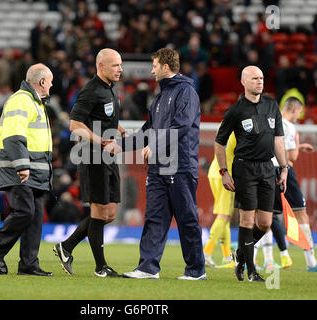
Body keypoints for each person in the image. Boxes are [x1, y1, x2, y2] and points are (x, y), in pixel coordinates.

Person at [122, 48, 206, 280]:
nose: (152, 70)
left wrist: (156, 145)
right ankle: (148, 268)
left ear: (165, 67)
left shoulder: (186, 92)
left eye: (155, 66)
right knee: (154, 217)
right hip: (158, 167)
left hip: (180, 166)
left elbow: (182, 126)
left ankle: (196, 271)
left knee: (187, 218)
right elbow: (148, 130)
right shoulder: (159, 96)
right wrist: (121, 146)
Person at [53, 48, 124, 278]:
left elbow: (107, 119)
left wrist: (122, 132)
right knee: (99, 210)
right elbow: (75, 125)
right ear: (101, 66)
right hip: (92, 155)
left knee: (110, 213)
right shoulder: (90, 91)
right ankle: (100, 267)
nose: (120, 69)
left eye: (120, 65)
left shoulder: (111, 89)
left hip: (108, 155)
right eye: (115, 65)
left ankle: (66, 246)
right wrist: (101, 140)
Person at [214, 65, 288, 282]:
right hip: (244, 168)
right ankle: (251, 271)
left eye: (262, 78)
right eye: (255, 78)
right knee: (246, 219)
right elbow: (219, 143)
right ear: (244, 82)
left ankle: (240, 254)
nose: (260, 82)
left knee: (265, 223)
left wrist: (284, 168)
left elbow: (278, 141)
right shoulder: (236, 111)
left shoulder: (272, 106)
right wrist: (224, 172)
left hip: (267, 167)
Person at [0, 63, 54, 277]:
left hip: (35, 170)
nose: (51, 85)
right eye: (50, 81)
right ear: (42, 82)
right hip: (20, 168)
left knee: (34, 217)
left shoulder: (34, 102)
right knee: (25, 211)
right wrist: (22, 166)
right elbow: (14, 137)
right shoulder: (22, 100)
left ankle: (28, 264)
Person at [272, 97, 317, 272]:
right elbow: (292, 157)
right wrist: (297, 142)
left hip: (268, 170)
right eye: (299, 112)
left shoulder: (273, 120)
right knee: (301, 215)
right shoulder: (290, 127)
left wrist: (298, 146)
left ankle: (246, 259)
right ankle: (311, 261)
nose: (299, 116)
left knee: (265, 218)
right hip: (285, 172)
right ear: (294, 110)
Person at [204, 132, 236, 269]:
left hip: (215, 171)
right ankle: (206, 253)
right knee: (224, 215)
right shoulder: (241, 124)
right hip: (227, 174)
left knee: (225, 217)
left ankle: (227, 257)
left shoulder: (225, 122)